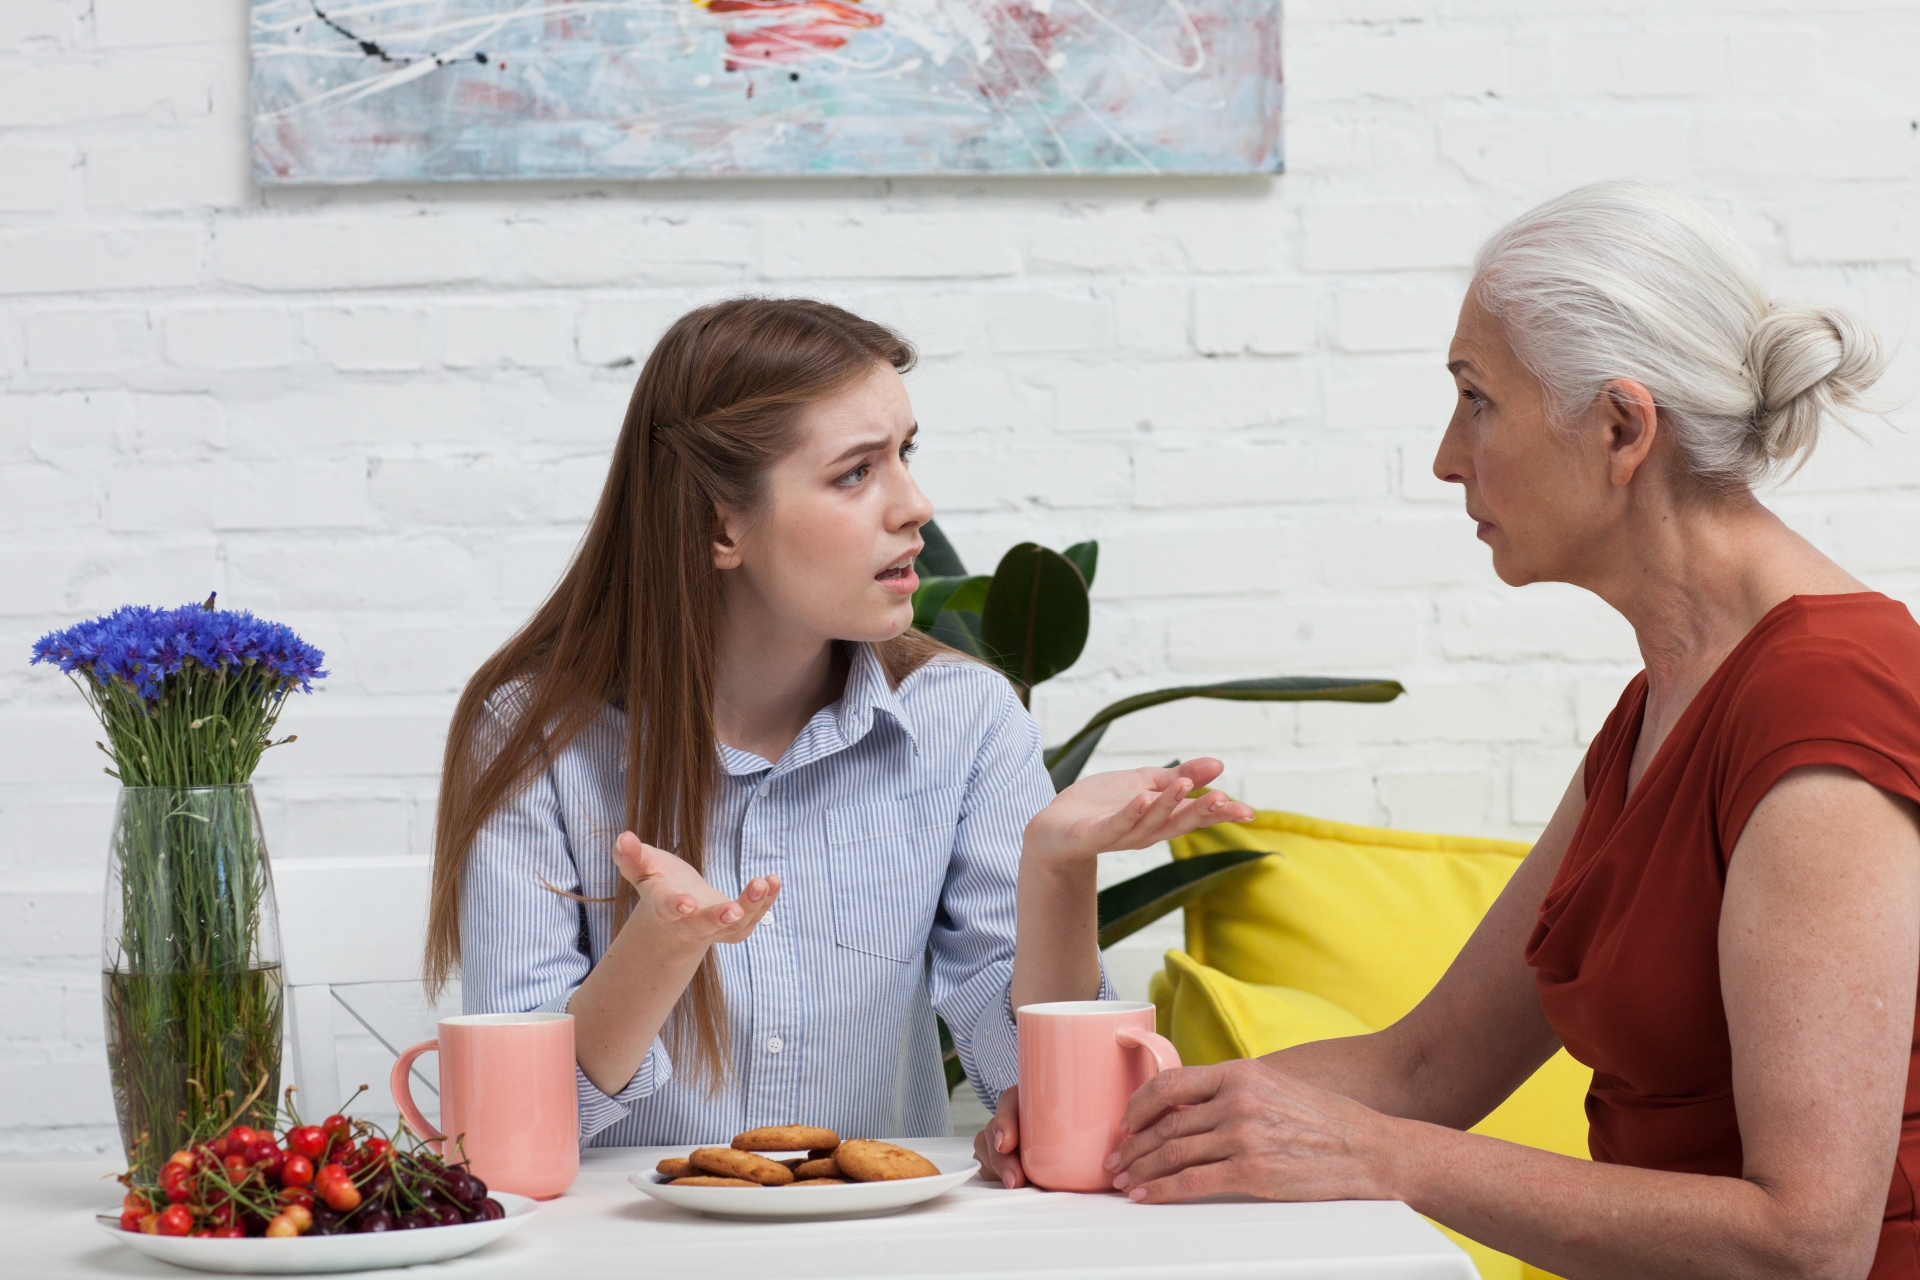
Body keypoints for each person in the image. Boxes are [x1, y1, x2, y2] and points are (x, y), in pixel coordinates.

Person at [1093, 180, 1920, 1279]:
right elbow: (1424, 1065)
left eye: (1476, 398)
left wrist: (1387, 1158)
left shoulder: (1826, 707)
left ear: (1623, 427)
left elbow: (1808, 1242)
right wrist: (1123, 1123)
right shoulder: (1672, 692)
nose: (1446, 454)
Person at [425, 297, 1251, 1147]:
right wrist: (662, 947)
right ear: (720, 524)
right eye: (856, 472)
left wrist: (1058, 869)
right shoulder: (535, 737)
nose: (915, 505)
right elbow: (507, 1134)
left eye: (905, 454)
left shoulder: (964, 718)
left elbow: (1041, 1103)